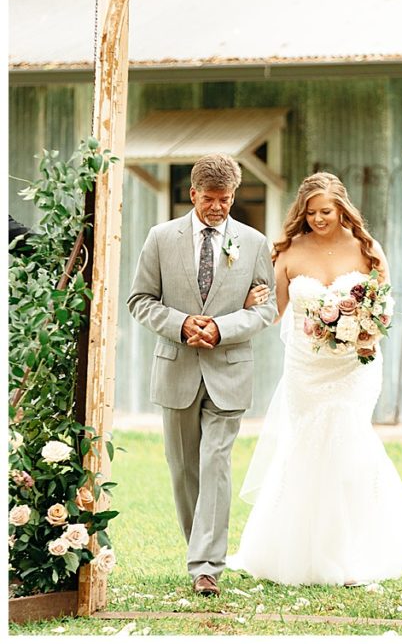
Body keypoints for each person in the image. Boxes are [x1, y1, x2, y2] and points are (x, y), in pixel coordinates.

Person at [226, 172, 402, 585]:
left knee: (350, 444)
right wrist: (249, 300)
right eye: (311, 212)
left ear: (342, 209)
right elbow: (275, 313)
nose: (319, 219)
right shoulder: (287, 252)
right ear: (301, 213)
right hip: (306, 367)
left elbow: (383, 307)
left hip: (355, 366)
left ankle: (355, 552)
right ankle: (296, 552)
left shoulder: (367, 249)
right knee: (306, 447)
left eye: (326, 211)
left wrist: (365, 331)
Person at [127, 154, 277, 596]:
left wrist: (222, 327)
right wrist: (180, 323)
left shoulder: (253, 243)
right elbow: (140, 299)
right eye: (209, 198)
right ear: (192, 193)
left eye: (225, 199)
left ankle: (206, 565)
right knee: (183, 469)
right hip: (175, 369)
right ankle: (201, 551)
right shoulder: (160, 238)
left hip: (229, 372)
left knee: (215, 464)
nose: (217, 207)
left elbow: (267, 308)